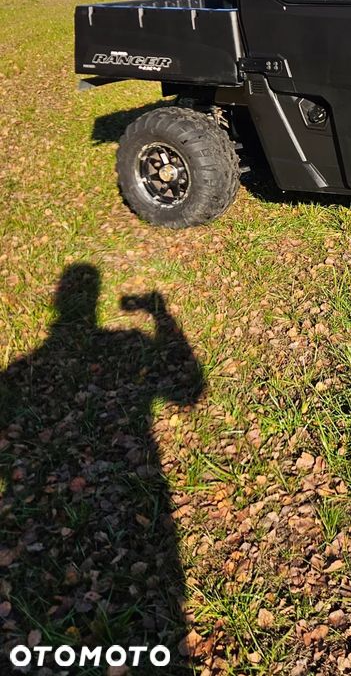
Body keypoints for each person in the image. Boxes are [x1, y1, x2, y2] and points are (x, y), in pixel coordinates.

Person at [0, 264, 204, 673]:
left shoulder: (20, 371)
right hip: (126, 514)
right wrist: (160, 315)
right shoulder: (30, 369)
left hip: (39, 534)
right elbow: (189, 390)